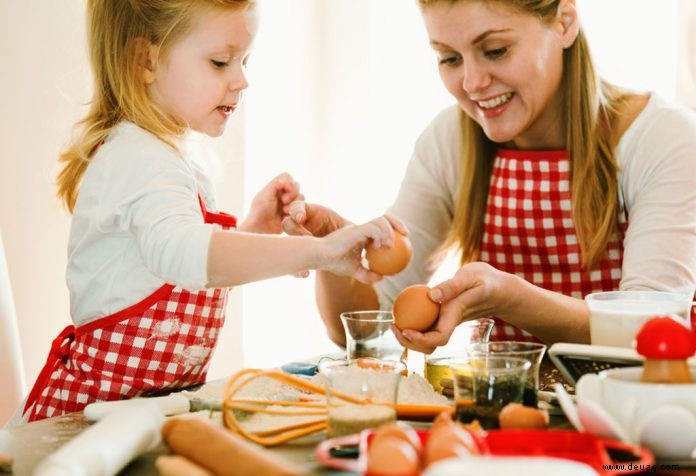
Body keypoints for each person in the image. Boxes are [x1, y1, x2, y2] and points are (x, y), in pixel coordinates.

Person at [19, 0, 399, 424]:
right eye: (220, 62)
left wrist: (253, 229)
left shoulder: (163, 157)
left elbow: (179, 274)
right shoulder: (136, 159)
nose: (242, 80)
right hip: (87, 421)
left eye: (244, 61)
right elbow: (185, 254)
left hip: (142, 414)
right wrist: (322, 251)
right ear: (146, 61)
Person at [283, 0, 696, 354]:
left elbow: (650, 330)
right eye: (449, 58)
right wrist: (334, 255)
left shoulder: (663, 139)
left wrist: (511, 297)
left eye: (495, 51)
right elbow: (363, 328)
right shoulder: (450, 141)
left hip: (627, 418)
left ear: (565, 23)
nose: (472, 83)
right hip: (505, 408)